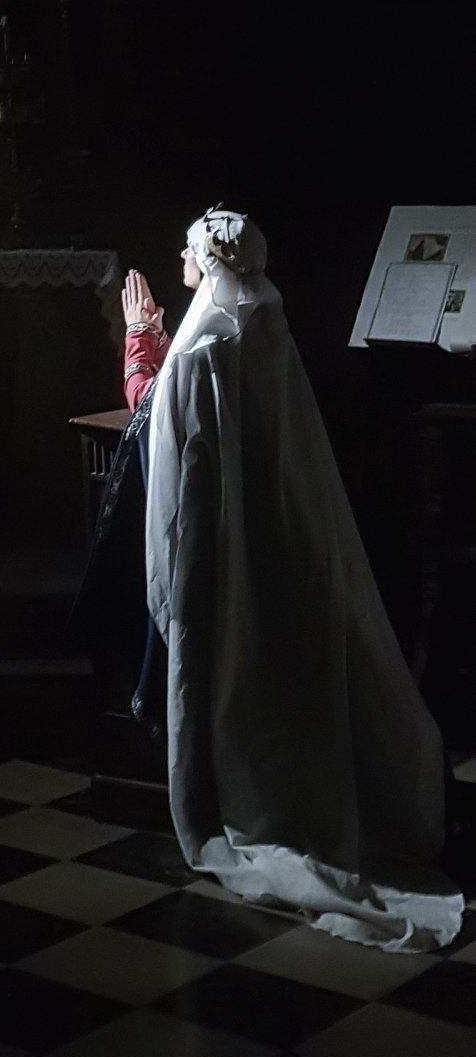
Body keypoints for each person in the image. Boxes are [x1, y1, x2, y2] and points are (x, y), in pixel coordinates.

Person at [112, 207, 464, 951]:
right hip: (280, 555)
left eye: (187, 246)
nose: (178, 251)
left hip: (223, 560)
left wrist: (141, 351)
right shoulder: (258, 326)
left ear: (207, 261)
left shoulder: (206, 344)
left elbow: (168, 445)